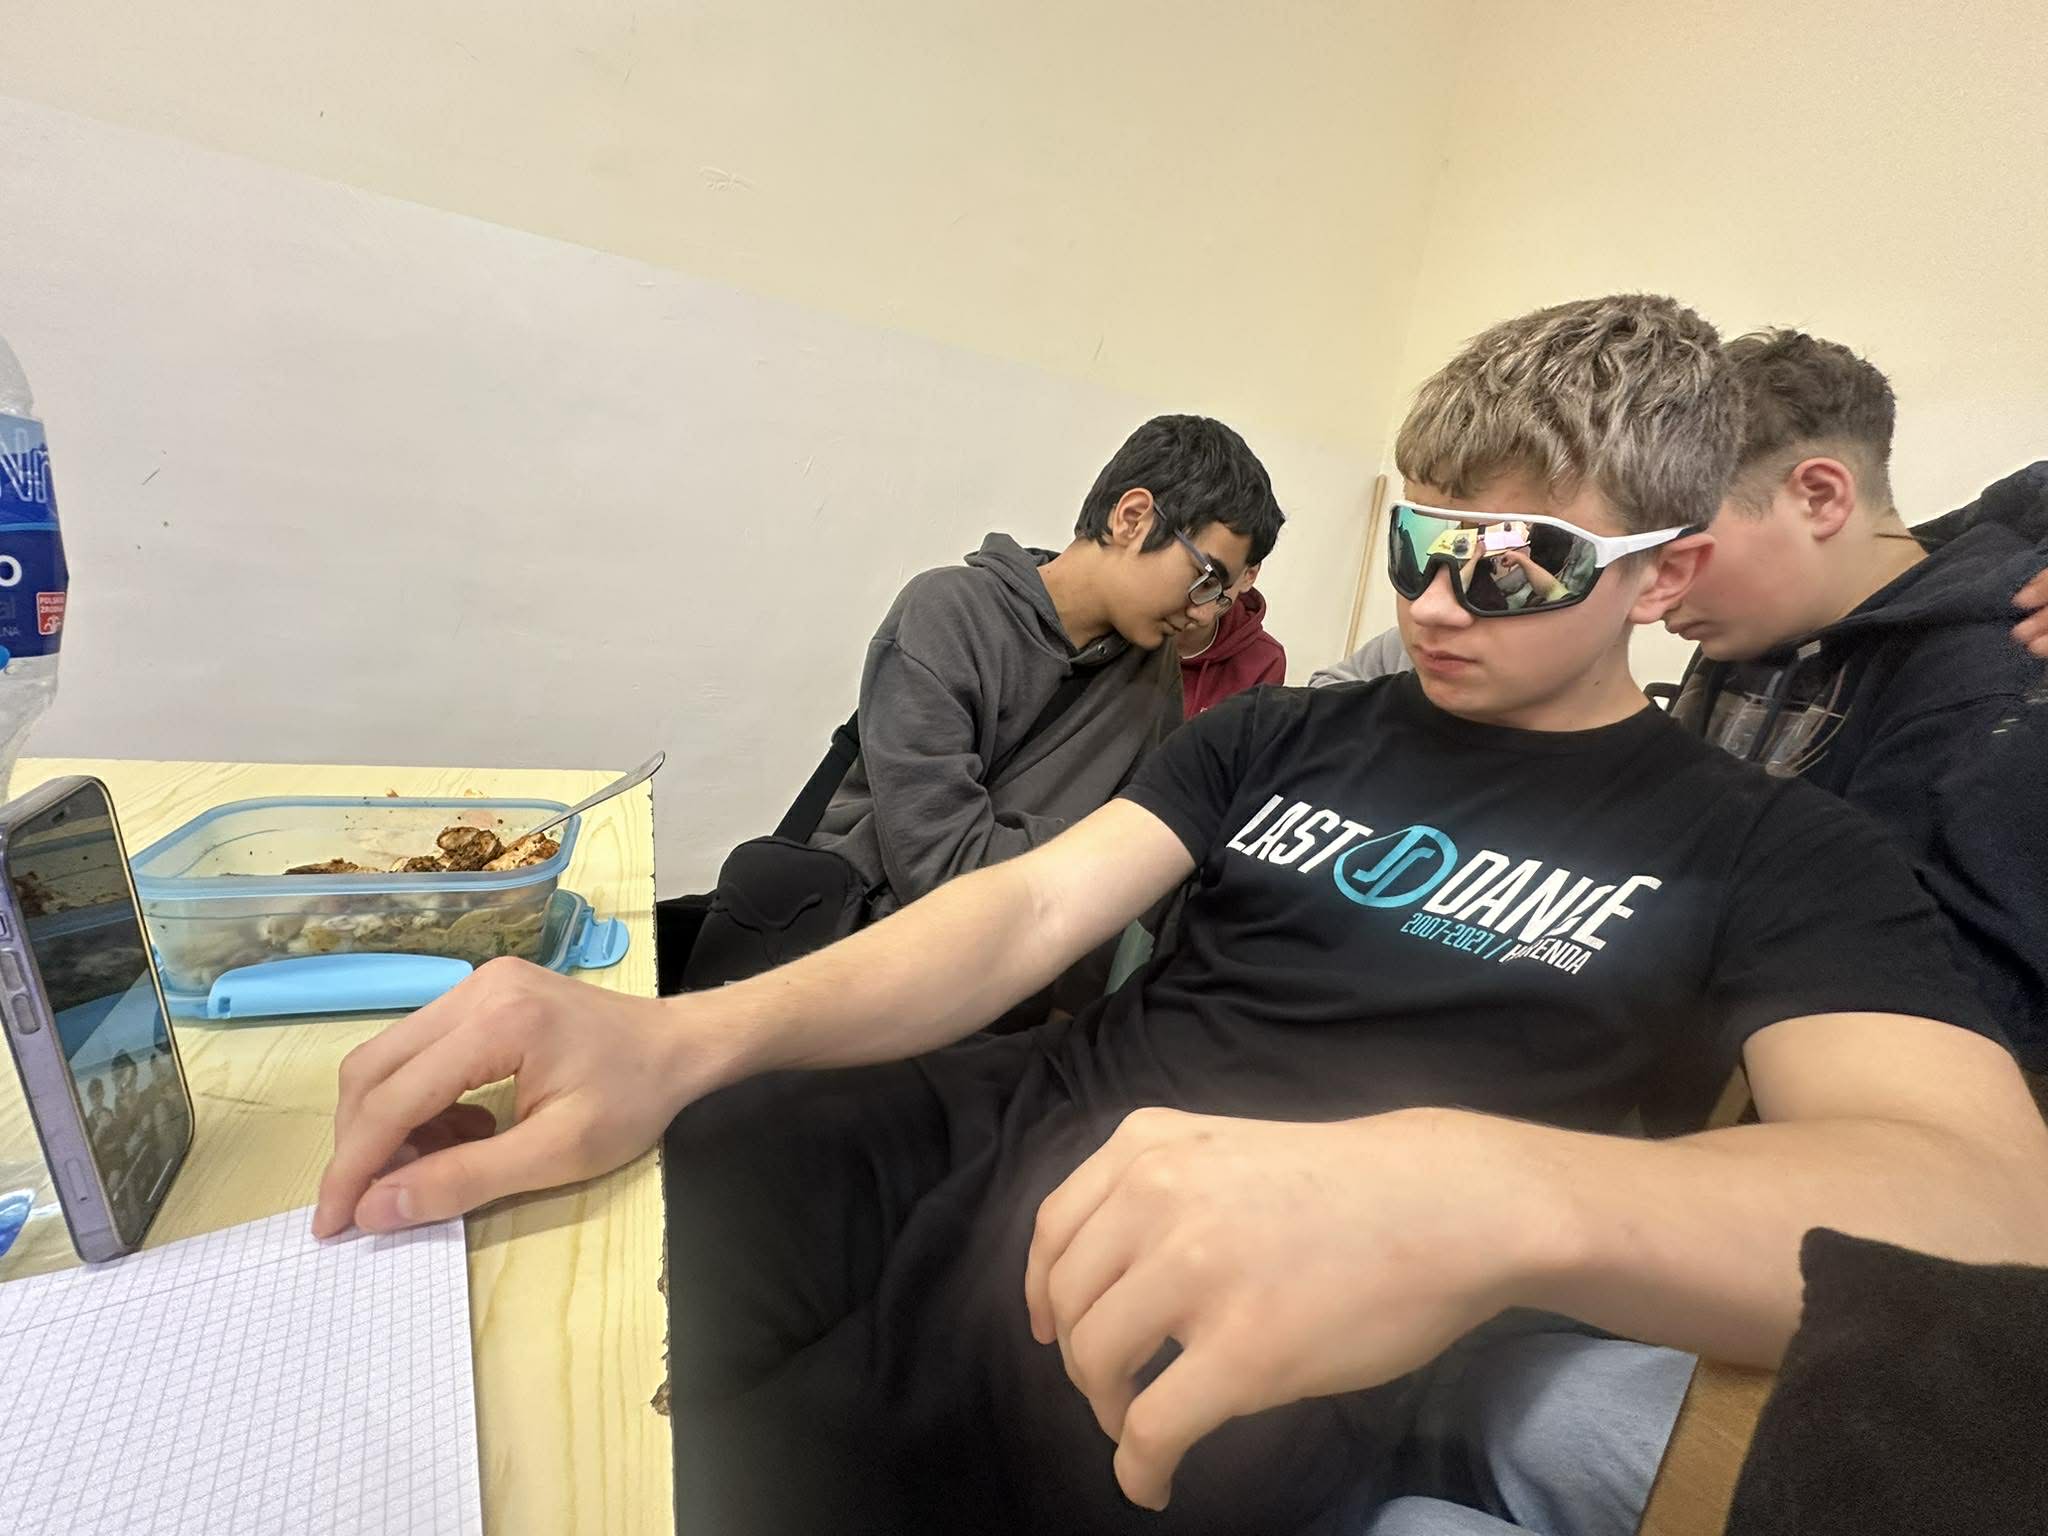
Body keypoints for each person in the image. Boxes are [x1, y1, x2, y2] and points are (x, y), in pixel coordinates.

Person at [310, 294, 2048, 1536]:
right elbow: (1024, 913)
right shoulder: (1283, 734)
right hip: (1007, 1133)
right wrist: (687, 1034)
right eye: (1416, 541)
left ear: (1662, 575)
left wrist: (1479, 1190)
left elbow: (1985, 1207)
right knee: (634, 1220)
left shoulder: (1772, 847)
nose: (1438, 603)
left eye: (1514, 561)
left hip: (1246, 1310)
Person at [1662, 330, 2048, 1069]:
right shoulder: (1750, 630)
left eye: (1675, 546)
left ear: (1819, 497)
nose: (1651, 592)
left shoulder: (1998, 673)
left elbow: (1957, 1011)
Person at [1176, 561, 1286, 717]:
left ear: (1249, 575)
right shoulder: (1141, 625)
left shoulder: (1266, 660)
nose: (1196, 607)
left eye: (1220, 576)